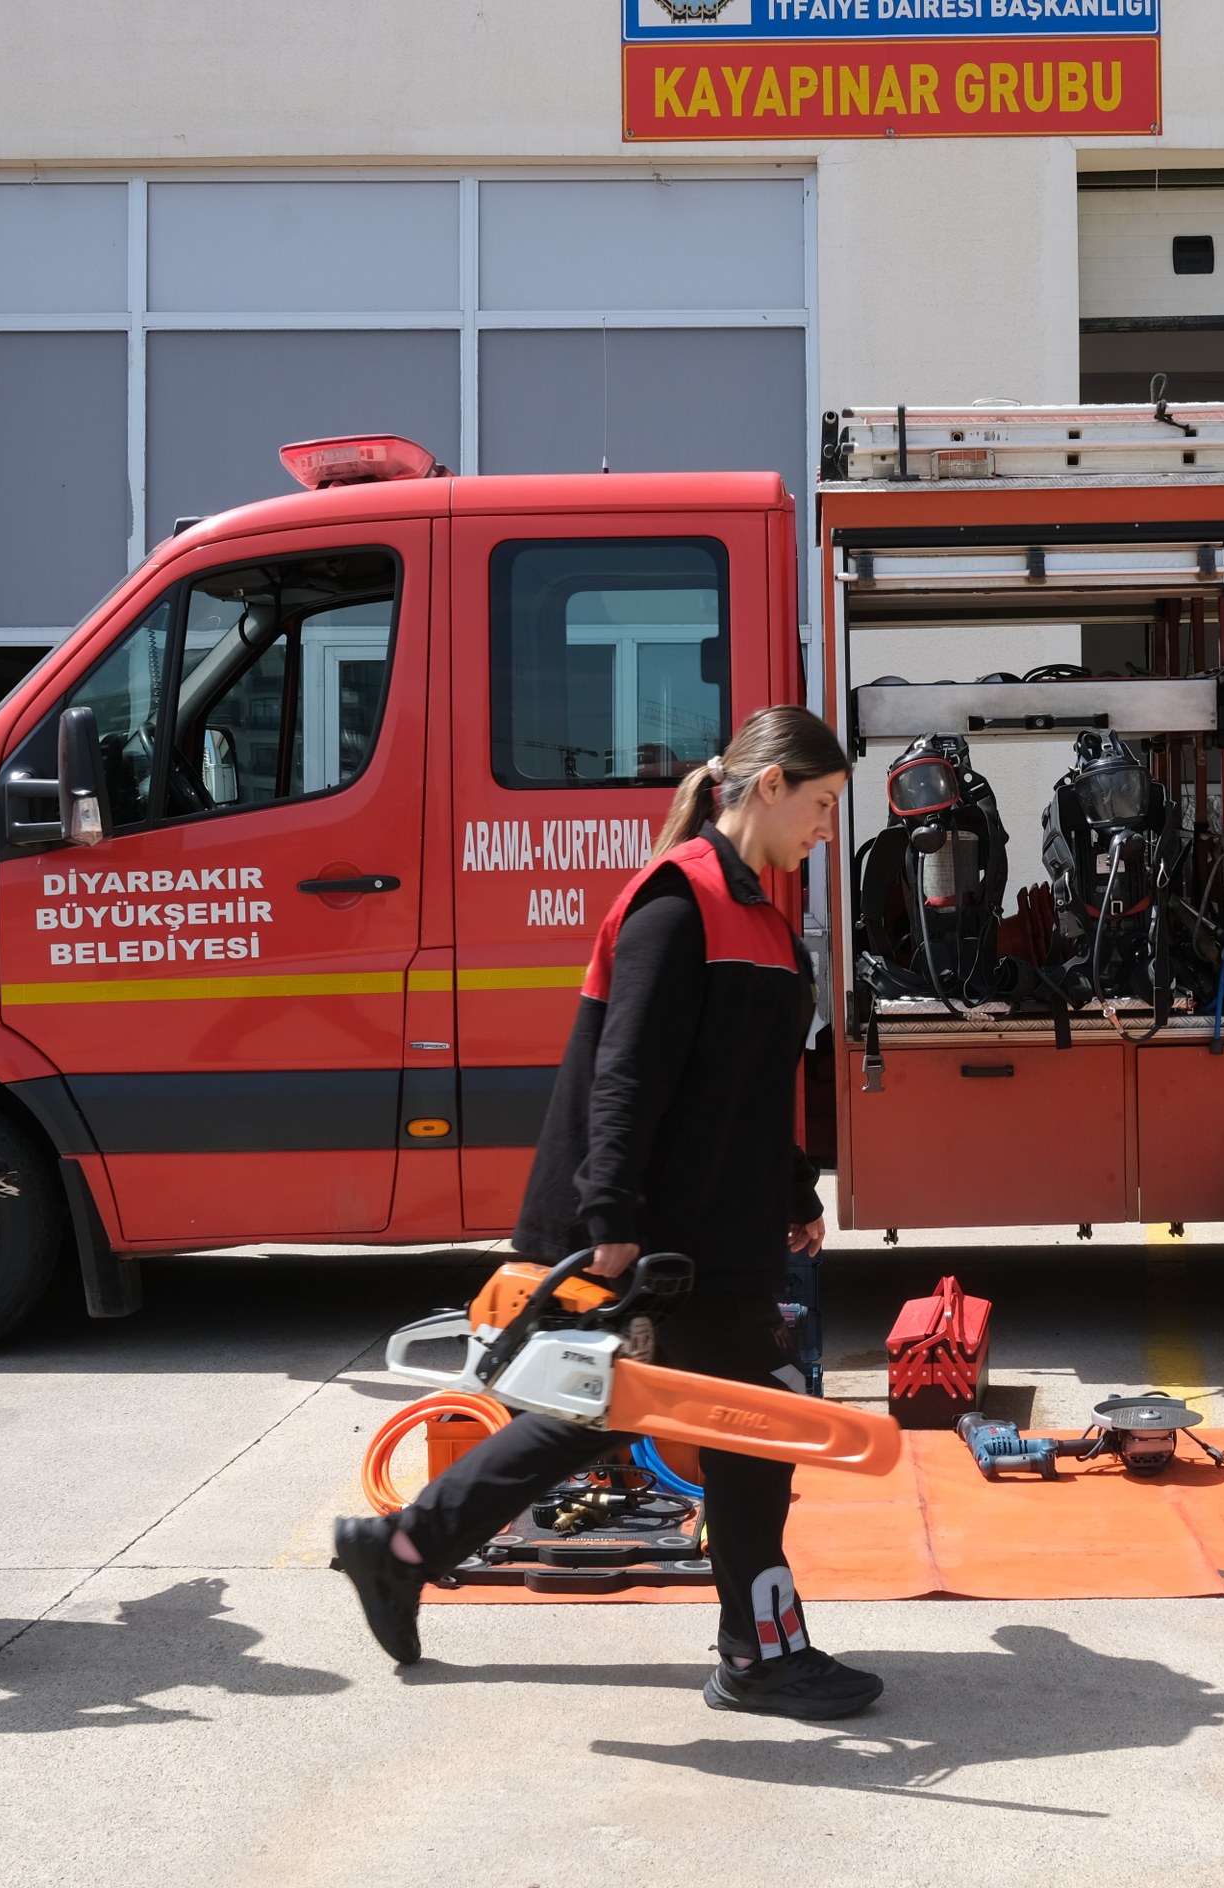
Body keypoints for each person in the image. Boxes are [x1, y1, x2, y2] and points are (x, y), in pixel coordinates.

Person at [333, 705, 880, 1719]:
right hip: (666, 1231)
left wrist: (796, 1193)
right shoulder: (678, 902)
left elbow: (753, 1088)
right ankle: (759, 1656)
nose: (826, 826)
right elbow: (624, 1075)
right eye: (821, 802)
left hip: (719, 1222)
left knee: (601, 1408)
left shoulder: (763, 920)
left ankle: (403, 1545)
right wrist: (610, 1216)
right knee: (754, 1427)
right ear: (769, 786)